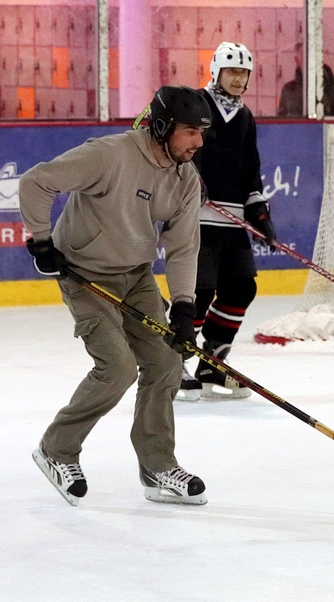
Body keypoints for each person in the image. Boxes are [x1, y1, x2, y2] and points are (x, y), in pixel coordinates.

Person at [19, 86, 211, 506]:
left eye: (202, 132)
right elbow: (37, 181)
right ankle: (57, 449)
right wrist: (41, 240)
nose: (198, 141)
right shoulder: (110, 155)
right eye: (190, 131)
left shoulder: (185, 179)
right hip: (84, 275)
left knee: (166, 363)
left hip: (136, 277)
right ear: (162, 128)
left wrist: (183, 304)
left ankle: (158, 466)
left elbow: (183, 248)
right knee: (118, 368)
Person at [178, 42, 274, 401]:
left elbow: (251, 170)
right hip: (196, 218)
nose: (238, 78)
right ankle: (174, 361)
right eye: (232, 71)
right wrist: (191, 178)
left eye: (243, 73)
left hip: (232, 219)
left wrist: (260, 213)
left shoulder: (245, 117)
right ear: (216, 72)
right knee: (199, 291)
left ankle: (212, 362)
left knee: (241, 288)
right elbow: (178, 150)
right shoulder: (196, 104)